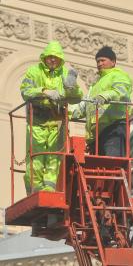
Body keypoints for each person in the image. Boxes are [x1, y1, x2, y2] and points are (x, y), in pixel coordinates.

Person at [20, 40, 83, 194]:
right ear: (44, 58)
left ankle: (50, 188)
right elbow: (25, 91)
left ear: (61, 59)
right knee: (36, 157)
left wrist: (71, 88)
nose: (53, 59)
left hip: (57, 121)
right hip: (38, 121)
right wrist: (44, 91)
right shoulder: (34, 72)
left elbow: (77, 97)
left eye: (56, 57)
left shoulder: (64, 75)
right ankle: (35, 190)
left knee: (54, 157)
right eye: (50, 57)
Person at [70, 46, 133, 157]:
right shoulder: (95, 85)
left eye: (103, 60)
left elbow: (121, 92)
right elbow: (84, 106)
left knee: (112, 164)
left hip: (114, 129)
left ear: (113, 62)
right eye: (98, 61)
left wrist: (105, 96)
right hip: (96, 136)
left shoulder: (119, 75)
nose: (99, 64)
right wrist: (65, 111)